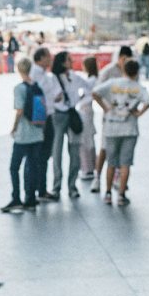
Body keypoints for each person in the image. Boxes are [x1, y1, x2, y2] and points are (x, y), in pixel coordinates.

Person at [90, 58, 149, 206]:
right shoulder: (138, 87)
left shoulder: (113, 83)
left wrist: (105, 107)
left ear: (124, 69)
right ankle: (122, 194)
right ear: (137, 72)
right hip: (129, 129)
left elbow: (95, 92)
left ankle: (108, 193)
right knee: (125, 164)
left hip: (111, 128)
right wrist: (139, 113)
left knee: (111, 162)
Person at [2, 56, 46, 213]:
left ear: (20, 70)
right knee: (33, 166)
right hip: (37, 134)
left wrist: (13, 128)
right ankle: (31, 199)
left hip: (23, 135)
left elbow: (19, 110)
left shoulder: (19, 88)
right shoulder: (37, 86)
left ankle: (16, 198)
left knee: (14, 167)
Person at [92, 44, 134, 190]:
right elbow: (96, 91)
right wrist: (106, 108)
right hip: (110, 117)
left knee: (122, 150)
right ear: (122, 58)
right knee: (105, 147)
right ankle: (97, 177)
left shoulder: (130, 71)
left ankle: (118, 179)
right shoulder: (108, 72)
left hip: (125, 118)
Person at [49, 51, 86, 199]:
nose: (71, 62)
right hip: (58, 115)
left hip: (72, 114)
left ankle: (72, 185)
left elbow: (88, 87)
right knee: (57, 151)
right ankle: (57, 186)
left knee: (75, 152)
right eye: (69, 60)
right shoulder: (53, 79)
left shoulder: (74, 77)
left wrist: (80, 99)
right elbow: (50, 97)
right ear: (63, 63)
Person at [30, 47, 61, 202]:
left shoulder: (46, 76)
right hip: (40, 119)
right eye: (48, 57)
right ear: (41, 58)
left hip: (49, 116)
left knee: (45, 154)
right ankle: (34, 189)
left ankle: (41, 188)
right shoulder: (34, 74)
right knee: (37, 155)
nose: (50, 60)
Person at [78, 55, 101, 182]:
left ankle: (87, 168)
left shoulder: (91, 81)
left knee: (85, 141)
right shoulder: (93, 79)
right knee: (89, 140)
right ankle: (91, 166)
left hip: (86, 111)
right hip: (87, 111)